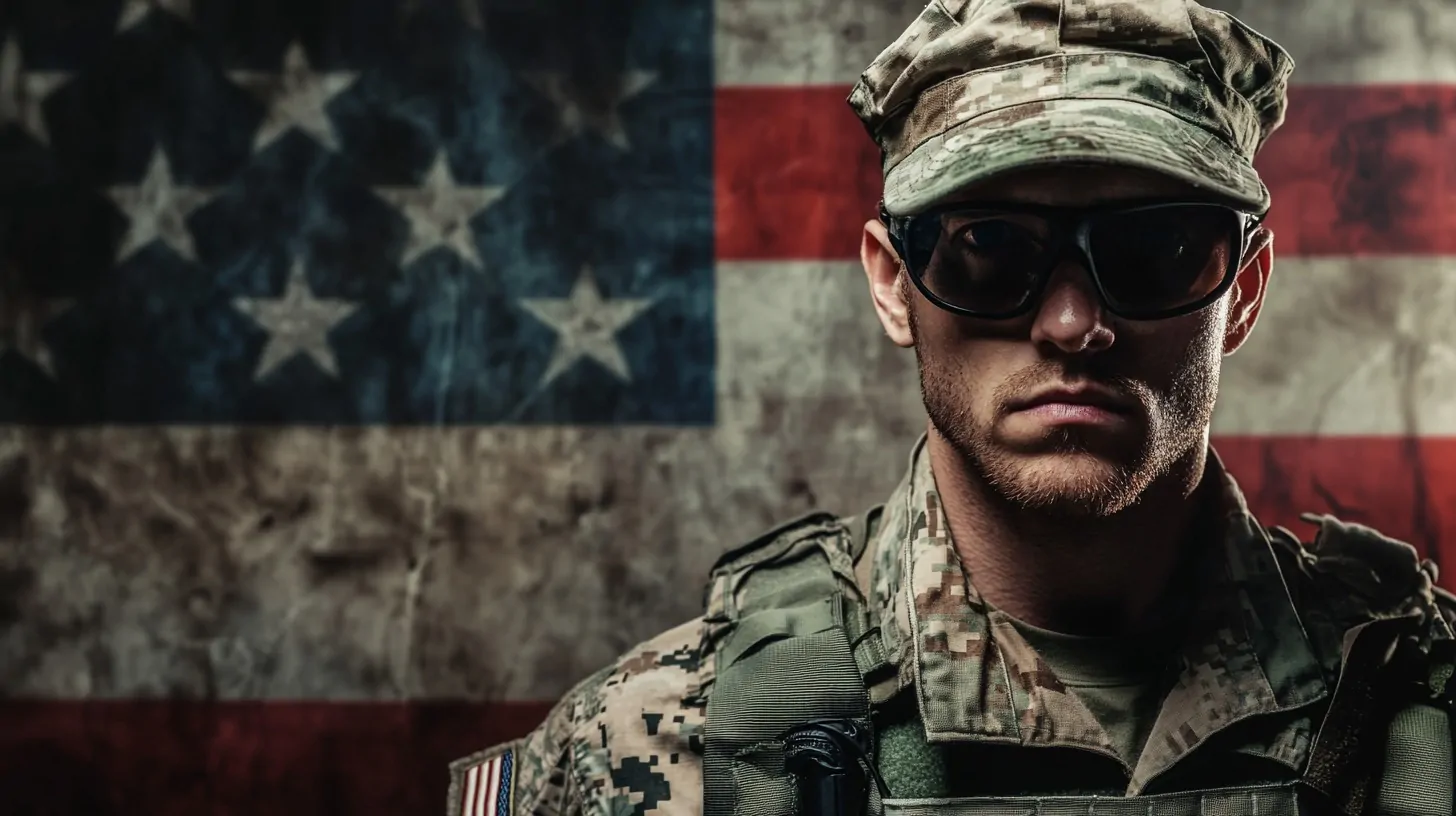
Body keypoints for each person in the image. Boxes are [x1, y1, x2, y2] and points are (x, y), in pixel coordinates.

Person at [447, 1, 1456, 814]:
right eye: (989, 249)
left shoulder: (1425, 707)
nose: (1070, 322)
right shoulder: (653, 743)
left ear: (1240, 290)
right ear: (894, 283)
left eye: (1153, 250)